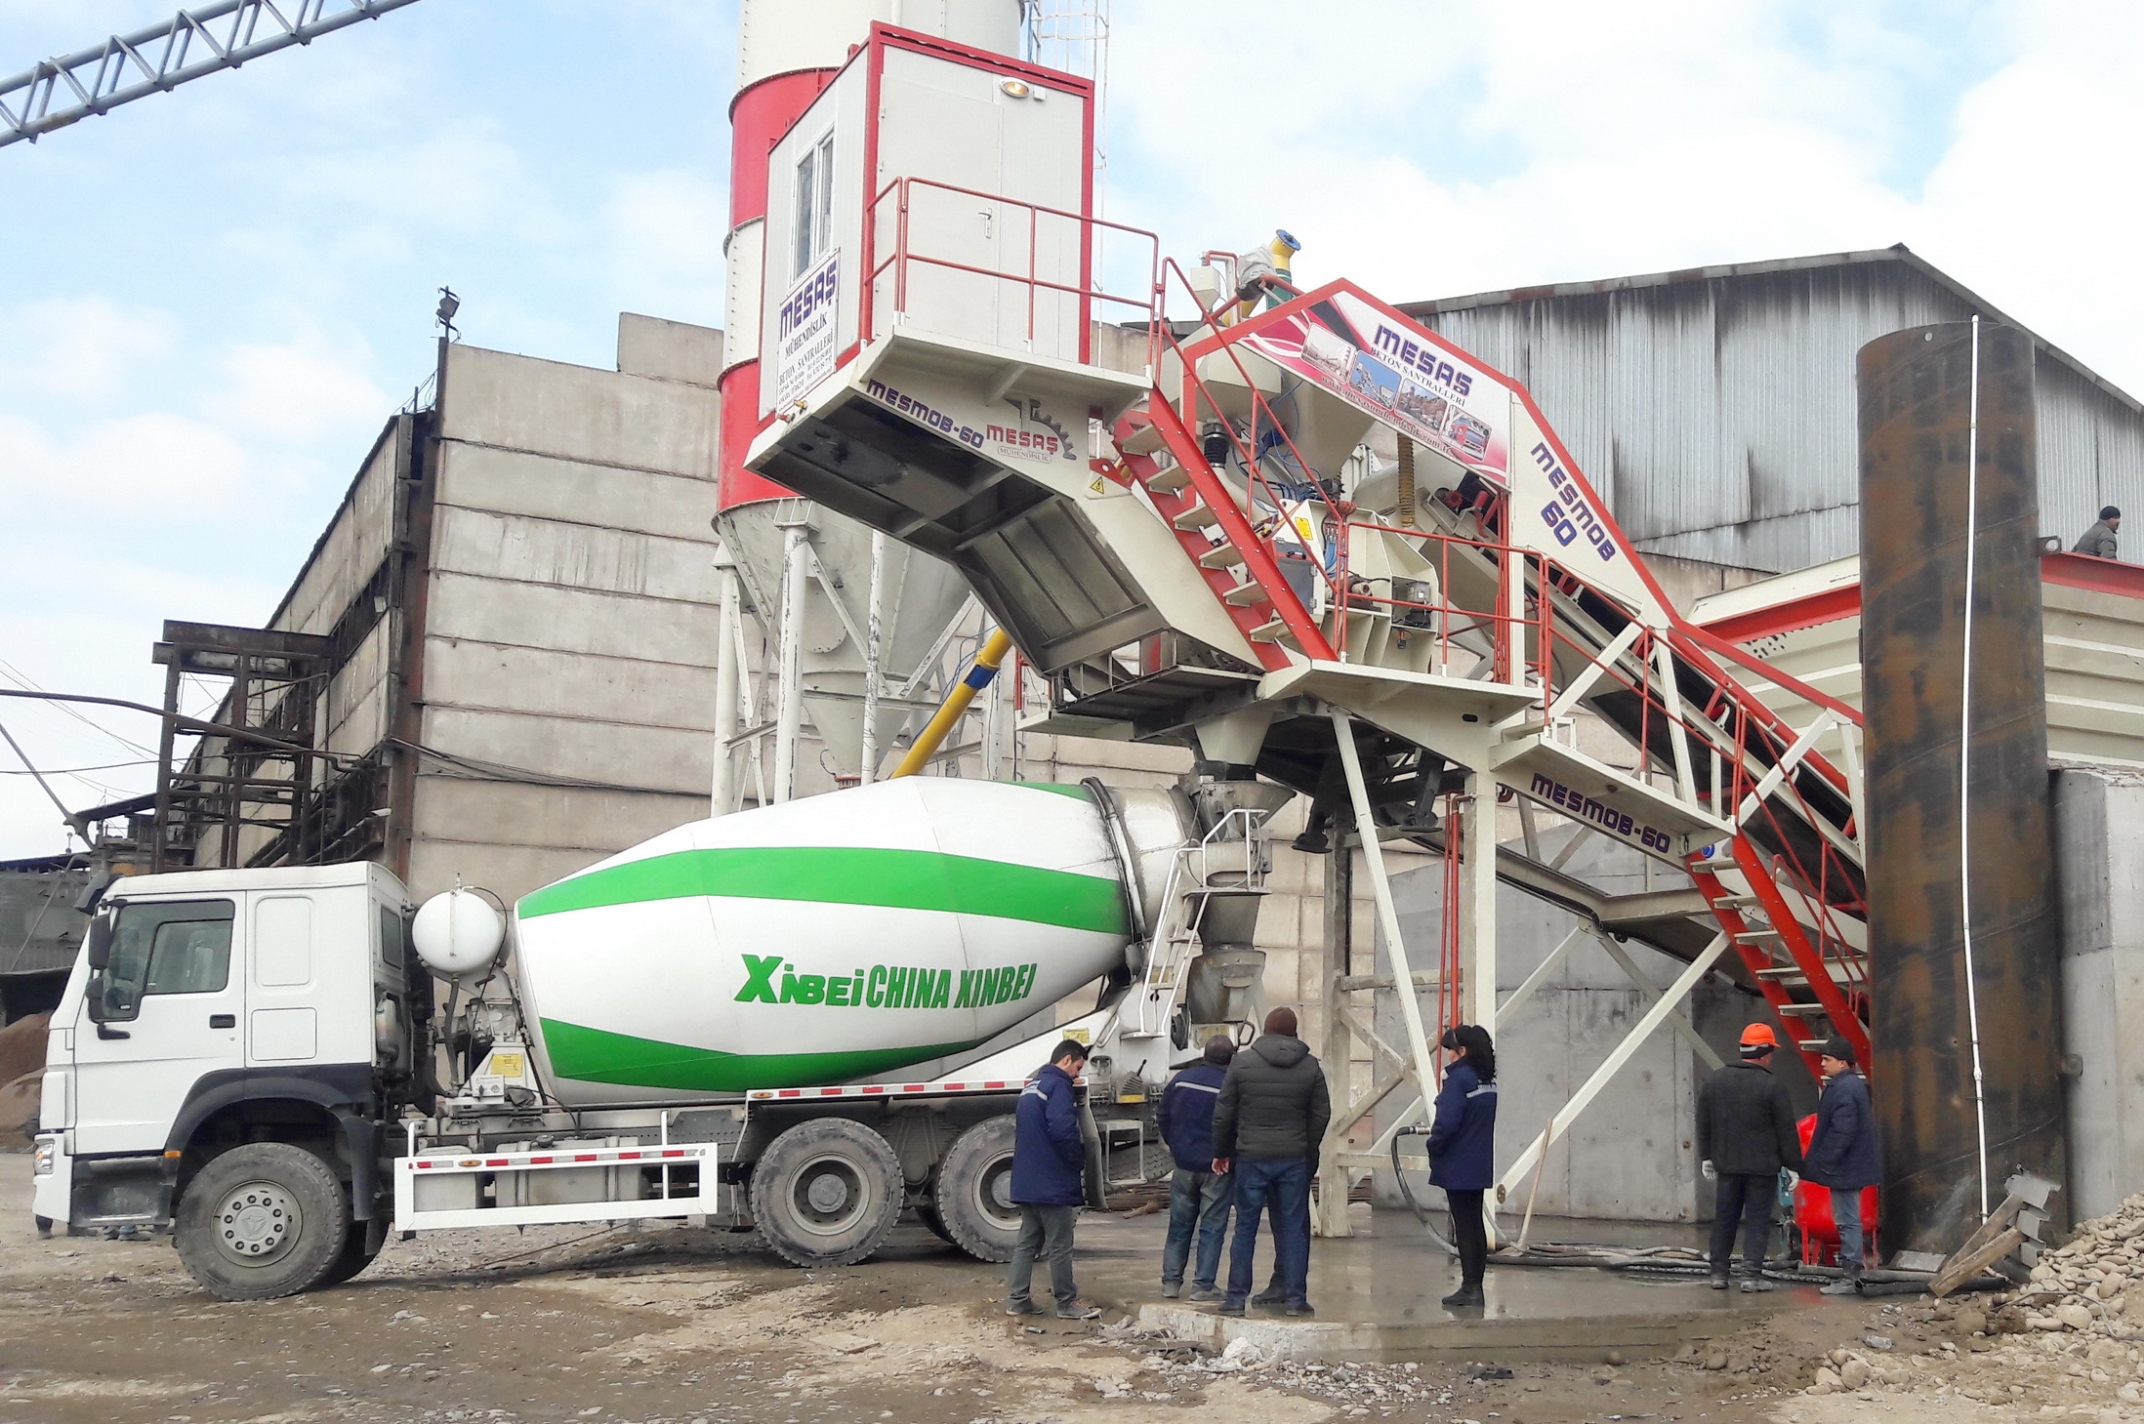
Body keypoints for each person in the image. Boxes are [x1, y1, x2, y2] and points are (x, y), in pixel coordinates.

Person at [1211, 1006, 1330, 1318]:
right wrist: (1307, 1148)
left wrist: (1222, 1151)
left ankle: (1235, 1300)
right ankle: (1295, 1301)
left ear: (1265, 1030)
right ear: (1294, 1032)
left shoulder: (1242, 1063)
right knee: (1293, 1229)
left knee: (1245, 1228)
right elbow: (1321, 1114)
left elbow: (1224, 1111)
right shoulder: (1310, 1067)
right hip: (1293, 1159)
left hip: (1251, 1157)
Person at [1695, 1022, 1804, 1292]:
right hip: (1762, 1169)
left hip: (1727, 1166)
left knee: (1725, 1219)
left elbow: (1704, 1121)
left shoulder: (1716, 1081)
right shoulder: (1772, 1085)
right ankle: (1750, 1277)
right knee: (1757, 1221)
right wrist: (1793, 1165)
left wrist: (1707, 1156)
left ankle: (1718, 1274)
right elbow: (1785, 1130)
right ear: (1766, 1053)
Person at [1005, 1039, 1102, 1320]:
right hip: (1052, 1182)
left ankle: (1018, 1300)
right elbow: (1063, 1130)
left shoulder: (1032, 1087)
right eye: (1078, 1068)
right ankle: (1066, 1303)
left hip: (1027, 1181)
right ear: (1066, 1060)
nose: (1077, 1075)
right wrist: (1077, 1161)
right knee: (1060, 1244)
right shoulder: (1059, 1086)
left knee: (1027, 1243)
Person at [1157, 1036, 1237, 1301]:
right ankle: (1203, 1286)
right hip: (1217, 1168)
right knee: (1212, 1227)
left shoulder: (1181, 1080)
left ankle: (1170, 1283)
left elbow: (1163, 1116)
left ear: (1204, 1054)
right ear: (1231, 1058)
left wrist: (1177, 1146)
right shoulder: (1230, 1086)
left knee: (1179, 1226)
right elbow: (1236, 1125)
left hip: (1184, 1165)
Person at [1428, 1024, 1499, 1308]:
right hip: (1479, 1161)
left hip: (1458, 1163)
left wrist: (1433, 1145)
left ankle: (1470, 1288)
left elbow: (1447, 1123)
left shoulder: (1459, 1080)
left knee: (1465, 1226)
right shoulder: (1487, 1080)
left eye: (1451, 1050)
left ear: (1463, 1051)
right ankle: (1474, 1286)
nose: (1448, 1056)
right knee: (1474, 1225)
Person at [1804, 1035, 1880, 1294]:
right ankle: (1851, 1272)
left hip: (1846, 1167)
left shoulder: (1844, 1088)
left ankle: (1850, 1276)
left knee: (1847, 1219)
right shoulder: (1850, 1086)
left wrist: (1825, 1161)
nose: (1823, 1063)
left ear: (1843, 1062)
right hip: (1851, 1165)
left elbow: (1842, 1130)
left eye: (1827, 1059)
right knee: (1847, 1218)